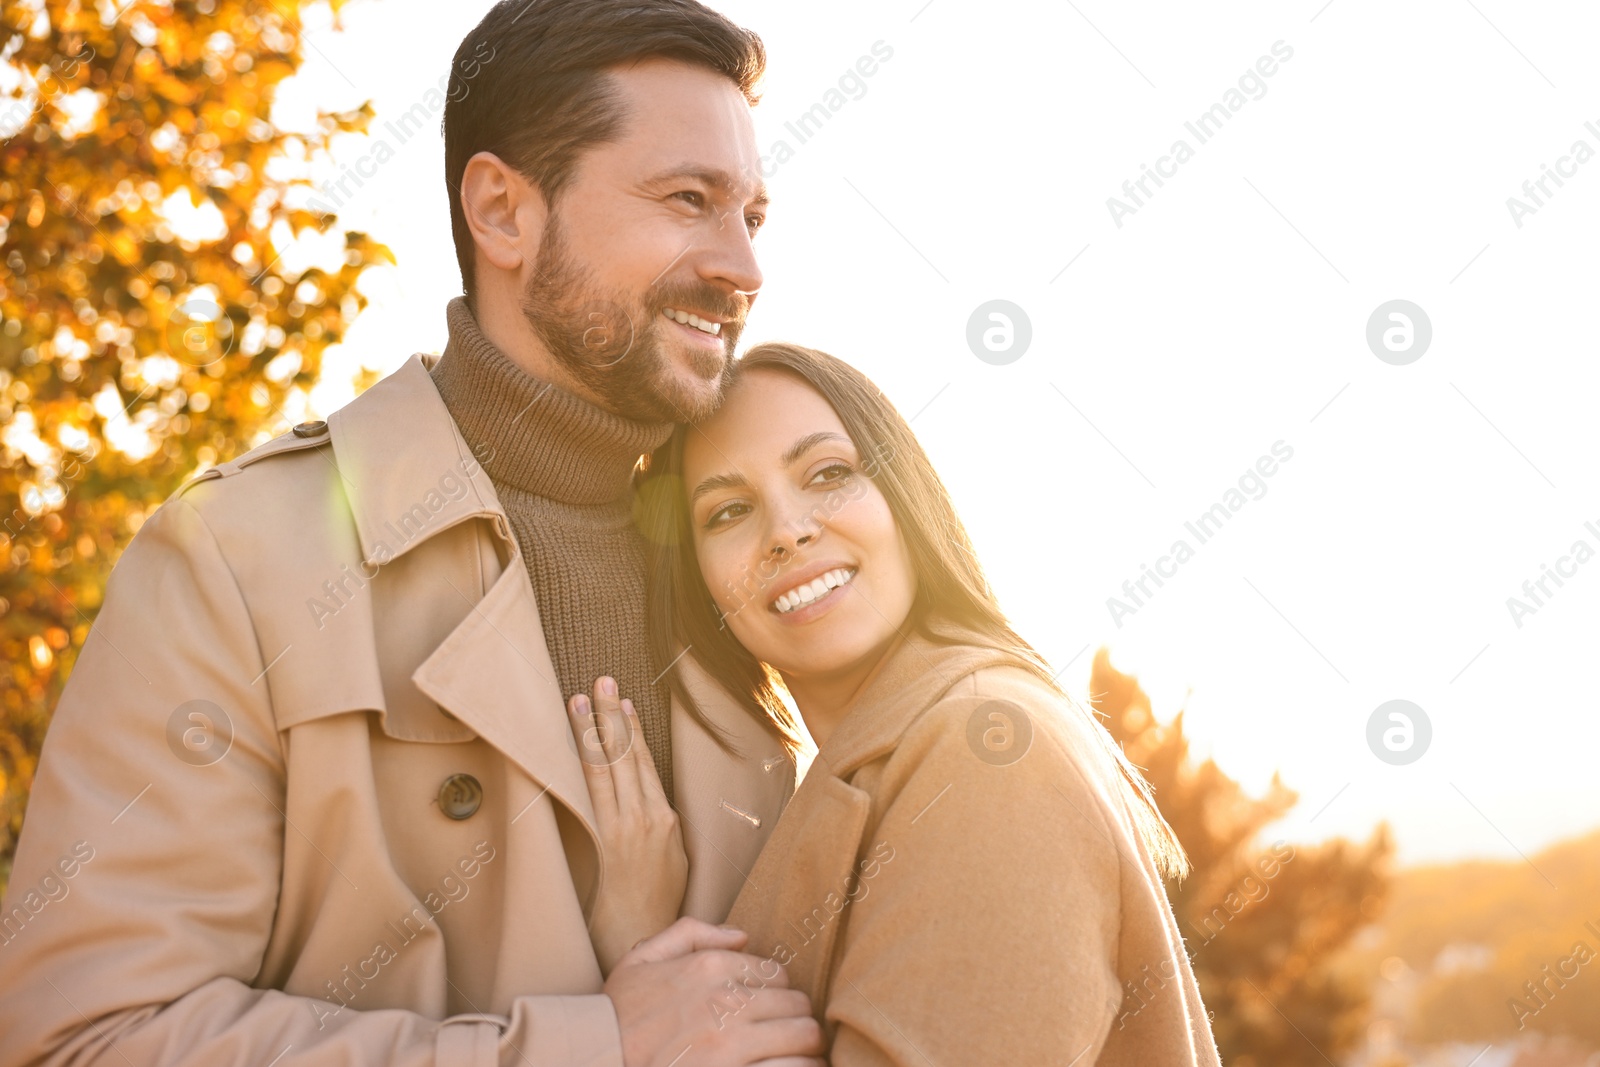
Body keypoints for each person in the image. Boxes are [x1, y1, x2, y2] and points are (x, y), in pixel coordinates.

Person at [0, 2, 828, 1065]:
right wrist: (592, 1049)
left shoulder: (756, 565)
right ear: (502, 213)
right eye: (688, 201)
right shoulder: (237, 556)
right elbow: (83, 1037)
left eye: (751, 215)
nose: (741, 265)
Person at [566, 342, 1226, 1064]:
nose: (787, 530)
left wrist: (645, 962)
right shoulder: (869, 768)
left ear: (903, 494)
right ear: (699, 584)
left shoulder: (989, 751)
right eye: (728, 511)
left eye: (828, 473)